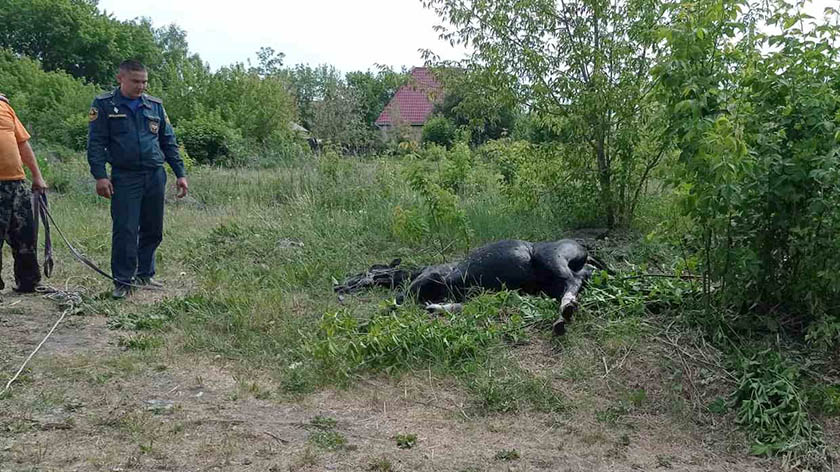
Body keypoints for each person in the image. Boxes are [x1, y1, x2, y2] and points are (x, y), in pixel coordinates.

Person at [87, 60, 188, 299]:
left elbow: (168, 142)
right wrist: (100, 176)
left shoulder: (154, 106)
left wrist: (180, 173)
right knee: (126, 229)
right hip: (125, 176)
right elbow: (95, 143)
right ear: (120, 78)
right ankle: (122, 280)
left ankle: (145, 274)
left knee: (153, 228)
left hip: (154, 174)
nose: (141, 86)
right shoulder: (104, 105)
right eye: (136, 81)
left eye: (144, 81)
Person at [0, 93, 48, 293]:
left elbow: (22, 143)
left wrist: (37, 175)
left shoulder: (4, 107)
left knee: (25, 235)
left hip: (15, 183)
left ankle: (28, 282)